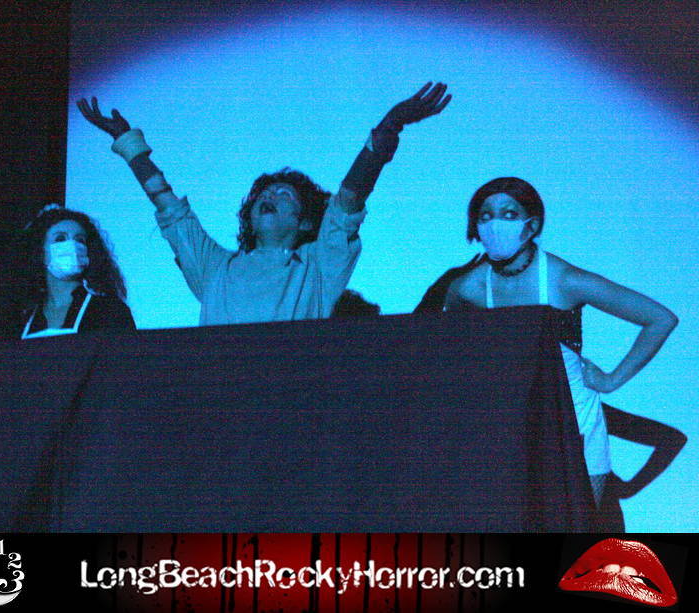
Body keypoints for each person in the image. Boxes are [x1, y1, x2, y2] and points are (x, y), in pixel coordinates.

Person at [77, 82, 451, 326]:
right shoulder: (215, 268)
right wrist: (129, 145)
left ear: (306, 222)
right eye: (264, 195)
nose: (270, 197)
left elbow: (350, 200)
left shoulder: (318, 267)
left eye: (285, 195)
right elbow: (172, 212)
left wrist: (389, 126)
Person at [442, 177, 679, 506]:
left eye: (509, 214)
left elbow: (660, 319)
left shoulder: (565, 280)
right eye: (485, 215)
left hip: (575, 419)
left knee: (578, 521)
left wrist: (611, 381)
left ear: (531, 224)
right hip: (511, 422)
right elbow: (446, 342)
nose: (495, 224)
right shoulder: (468, 288)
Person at [11, 204, 135, 339]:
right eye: (60, 239)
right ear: (39, 251)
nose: (72, 245)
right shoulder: (22, 318)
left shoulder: (110, 310)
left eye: (79, 240)